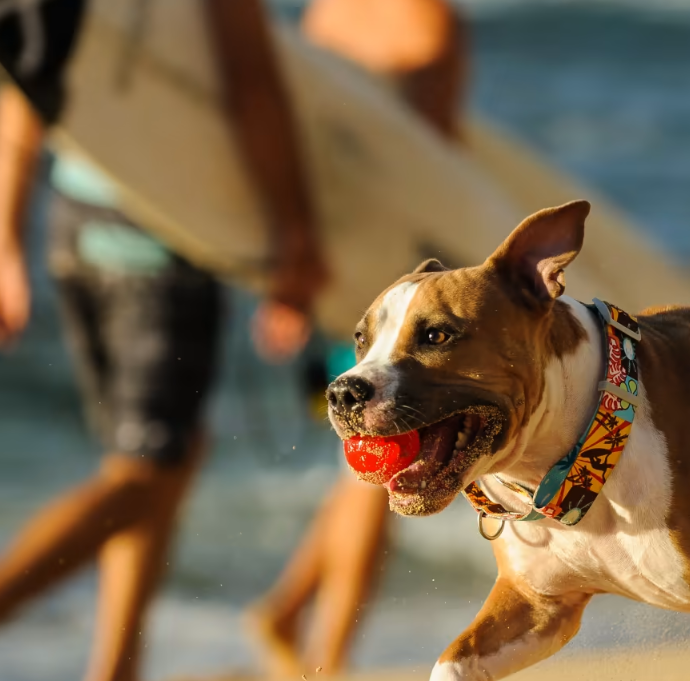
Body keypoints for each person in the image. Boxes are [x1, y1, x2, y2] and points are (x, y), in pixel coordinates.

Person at [0, 0, 324, 679]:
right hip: (161, 241)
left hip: (75, 227)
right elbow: (252, 88)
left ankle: (118, 664)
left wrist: (1, 234)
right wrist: (296, 235)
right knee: (152, 468)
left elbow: (24, 75)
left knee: (151, 458)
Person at [240, 0, 468, 678]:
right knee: (381, 467)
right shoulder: (432, 21)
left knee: (361, 467)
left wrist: (290, 276)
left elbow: (300, 147)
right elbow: (429, 166)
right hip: (389, 282)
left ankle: (288, 613)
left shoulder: (322, 16)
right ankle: (327, 658)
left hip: (329, 270)